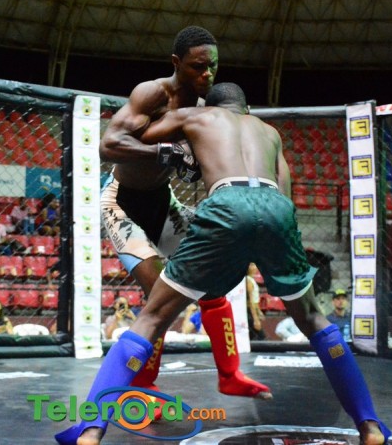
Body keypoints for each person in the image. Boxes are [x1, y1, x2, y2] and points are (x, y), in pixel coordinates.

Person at [57, 82, 390, 445]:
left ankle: (91, 429)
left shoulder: (197, 117)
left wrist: (178, 152)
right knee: (314, 319)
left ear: (212, 107)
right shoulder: (270, 132)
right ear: (247, 110)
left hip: (225, 205)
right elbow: (285, 194)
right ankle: (369, 425)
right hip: (273, 209)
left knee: (152, 317)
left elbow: (130, 138)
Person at [98, 26, 269, 401]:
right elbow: (108, 145)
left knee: (213, 280)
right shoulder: (153, 93)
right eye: (198, 67)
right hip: (122, 203)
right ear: (176, 63)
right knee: (159, 295)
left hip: (164, 202)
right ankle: (142, 386)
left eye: (213, 66)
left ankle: (230, 374)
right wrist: (165, 154)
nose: (207, 74)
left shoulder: (209, 108)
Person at [245, 263, 266, 340]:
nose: (254, 267)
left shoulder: (252, 279)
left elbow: (255, 299)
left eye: (255, 265)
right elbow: (251, 301)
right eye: (251, 265)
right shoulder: (248, 280)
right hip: (250, 312)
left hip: (253, 310)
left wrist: (259, 311)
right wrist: (256, 319)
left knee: (252, 336)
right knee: (261, 337)